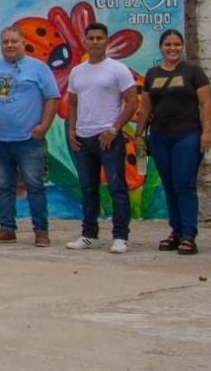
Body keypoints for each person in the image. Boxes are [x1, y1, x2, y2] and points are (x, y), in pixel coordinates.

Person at [0, 26, 60, 247]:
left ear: (23, 42)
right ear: (1, 44)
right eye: (5, 42)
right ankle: (7, 229)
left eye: (14, 41)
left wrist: (44, 126)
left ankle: (41, 231)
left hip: (28, 140)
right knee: (3, 186)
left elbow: (52, 98)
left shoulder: (38, 68)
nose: (10, 45)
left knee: (34, 185)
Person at [134, 29, 211, 256]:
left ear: (182, 47)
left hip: (188, 135)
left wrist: (206, 133)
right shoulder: (152, 74)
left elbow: (206, 104)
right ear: (161, 48)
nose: (172, 48)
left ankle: (189, 235)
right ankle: (176, 232)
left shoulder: (193, 72)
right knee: (168, 186)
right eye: (168, 44)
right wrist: (139, 134)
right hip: (160, 137)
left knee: (184, 185)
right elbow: (146, 107)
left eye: (176, 44)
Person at [65, 23, 138, 254]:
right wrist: (72, 130)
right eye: (91, 38)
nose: (95, 42)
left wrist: (114, 129)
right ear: (85, 41)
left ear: (107, 41)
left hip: (108, 138)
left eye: (99, 38)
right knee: (88, 188)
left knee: (117, 187)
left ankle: (120, 236)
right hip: (83, 138)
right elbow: (73, 103)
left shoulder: (117, 69)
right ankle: (89, 234)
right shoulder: (77, 71)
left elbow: (132, 102)